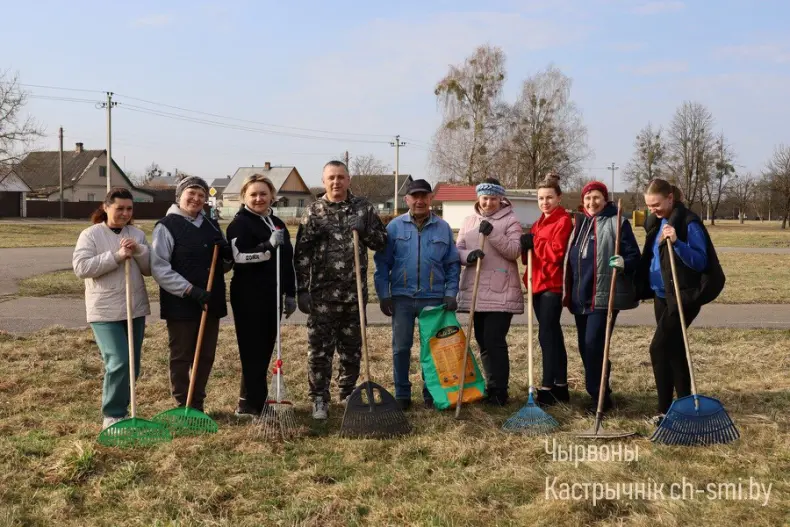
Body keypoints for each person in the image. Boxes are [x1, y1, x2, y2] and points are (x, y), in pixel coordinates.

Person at [294, 160, 387, 420]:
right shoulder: (314, 211)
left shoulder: (364, 208)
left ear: (349, 180)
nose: (336, 182)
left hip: (354, 295)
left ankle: (347, 394)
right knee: (319, 351)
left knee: (352, 350)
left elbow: (382, 242)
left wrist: (365, 228)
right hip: (322, 296)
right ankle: (319, 399)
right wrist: (302, 289)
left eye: (341, 177)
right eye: (331, 178)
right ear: (324, 181)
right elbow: (301, 253)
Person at [636, 178, 725, 425]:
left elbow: (700, 261)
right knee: (673, 350)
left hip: (684, 295)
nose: (652, 209)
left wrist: (677, 243)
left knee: (659, 348)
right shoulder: (656, 223)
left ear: (670, 199)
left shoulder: (688, 223)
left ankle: (666, 409)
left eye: (656, 204)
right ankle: (681, 405)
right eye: (649, 205)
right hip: (661, 295)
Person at [373, 179, 461, 410]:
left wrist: (451, 293)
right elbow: (382, 264)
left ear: (431, 198)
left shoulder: (442, 227)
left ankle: (431, 393)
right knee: (401, 348)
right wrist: (384, 294)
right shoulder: (394, 227)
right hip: (401, 298)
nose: (420, 201)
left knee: (432, 349)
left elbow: (452, 264)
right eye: (415, 196)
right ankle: (402, 394)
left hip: (433, 298)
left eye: (424, 196)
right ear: (407, 200)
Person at [151, 176, 233, 414]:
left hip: (211, 301)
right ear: (180, 196)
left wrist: (227, 255)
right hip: (182, 302)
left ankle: (197, 403)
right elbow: (159, 267)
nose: (196, 199)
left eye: (201, 195)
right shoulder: (166, 226)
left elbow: (223, 266)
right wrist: (189, 290)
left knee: (205, 355)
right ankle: (181, 403)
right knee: (182, 355)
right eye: (191, 194)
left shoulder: (211, 225)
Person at [72, 188, 152, 429]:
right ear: (106, 207)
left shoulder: (137, 233)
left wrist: (138, 251)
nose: (125, 213)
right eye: (120, 208)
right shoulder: (91, 235)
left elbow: (149, 269)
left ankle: (125, 409)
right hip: (104, 309)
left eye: (129, 209)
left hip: (133, 307)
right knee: (118, 360)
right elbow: (81, 268)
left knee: (132, 364)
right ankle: (112, 414)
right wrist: (116, 256)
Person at [563, 181, 640, 413]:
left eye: (596, 197)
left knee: (593, 344)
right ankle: (600, 389)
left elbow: (634, 255)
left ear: (605, 199)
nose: (592, 202)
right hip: (580, 296)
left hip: (603, 296)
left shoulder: (617, 222)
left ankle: (600, 399)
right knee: (585, 348)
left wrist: (625, 262)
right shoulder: (578, 223)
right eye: (588, 198)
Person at [225, 174, 297, 418]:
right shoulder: (240, 223)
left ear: (272, 196)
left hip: (273, 294)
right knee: (252, 350)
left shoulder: (277, 223)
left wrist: (291, 293)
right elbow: (239, 257)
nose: (258, 198)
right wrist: (267, 246)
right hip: (249, 295)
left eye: (263, 194)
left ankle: (247, 401)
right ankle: (258, 404)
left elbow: (287, 260)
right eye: (253, 194)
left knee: (264, 350)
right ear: (244, 196)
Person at [454, 178, 522, 406]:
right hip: (475, 289)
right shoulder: (469, 220)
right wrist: (468, 256)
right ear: (478, 198)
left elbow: (514, 251)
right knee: (482, 341)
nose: (489, 202)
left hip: (500, 290)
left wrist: (492, 233)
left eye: (493, 198)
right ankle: (490, 387)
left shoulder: (510, 220)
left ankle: (500, 391)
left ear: (500, 198)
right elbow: (459, 249)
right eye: (485, 198)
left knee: (495, 340)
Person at [521, 173, 572, 406]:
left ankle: (548, 385)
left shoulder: (563, 221)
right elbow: (529, 257)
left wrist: (535, 243)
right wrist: (526, 246)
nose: (545, 202)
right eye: (541, 198)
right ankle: (561, 385)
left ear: (558, 198)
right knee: (552, 334)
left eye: (549, 198)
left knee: (546, 334)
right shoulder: (538, 223)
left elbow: (556, 252)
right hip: (537, 283)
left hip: (552, 284)